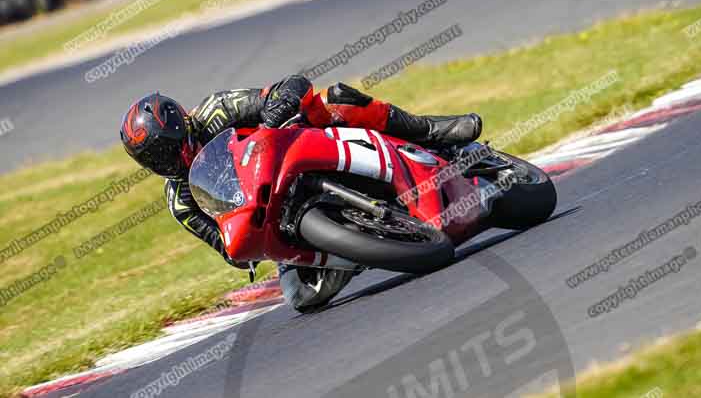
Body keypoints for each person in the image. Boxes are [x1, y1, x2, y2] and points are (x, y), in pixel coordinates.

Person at [120, 75, 481, 311]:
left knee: (336, 101)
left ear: (181, 125)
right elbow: (229, 251)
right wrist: (241, 242)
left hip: (295, 153)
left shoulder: (216, 110)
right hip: (278, 222)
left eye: (166, 149)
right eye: (155, 159)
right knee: (301, 298)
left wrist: (274, 112)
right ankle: (355, 247)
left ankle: (430, 130)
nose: (167, 161)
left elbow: (290, 86)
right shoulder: (180, 201)